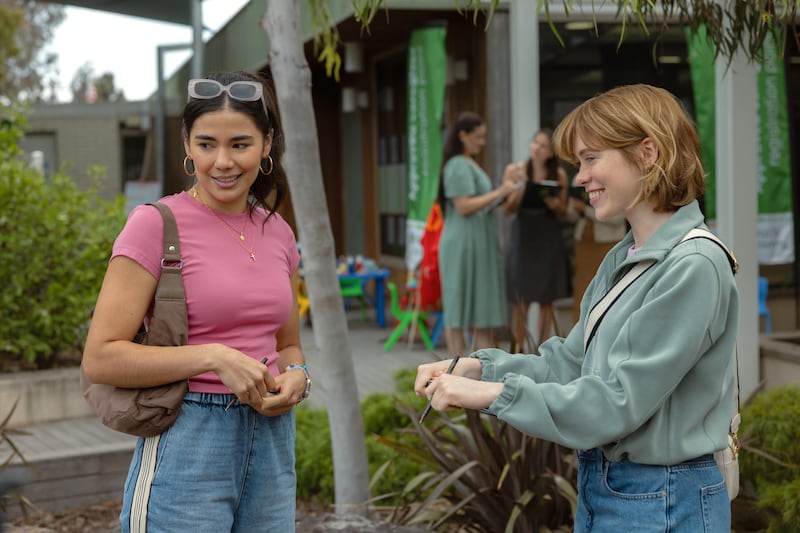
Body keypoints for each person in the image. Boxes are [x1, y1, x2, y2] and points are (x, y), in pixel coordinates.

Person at [415, 84, 738, 531]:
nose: (581, 177)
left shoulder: (694, 265)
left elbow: (617, 402)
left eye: (591, 158)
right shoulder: (625, 257)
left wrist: (491, 394)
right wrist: (477, 368)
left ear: (648, 153)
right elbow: (571, 364)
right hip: (615, 490)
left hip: (664, 498)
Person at [82, 70, 309, 532]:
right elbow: (100, 358)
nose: (222, 162)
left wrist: (299, 377)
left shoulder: (279, 232)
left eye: (240, 144)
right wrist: (213, 357)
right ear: (188, 145)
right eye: (207, 144)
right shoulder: (154, 225)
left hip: (272, 441)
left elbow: (288, 345)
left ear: (267, 144)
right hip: (188, 437)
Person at [437, 111, 521, 357]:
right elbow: (463, 206)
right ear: (463, 136)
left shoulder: (468, 163)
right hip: (463, 243)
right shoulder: (457, 165)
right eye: (478, 137)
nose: (482, 142)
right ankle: (456, 366)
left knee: (481, 311)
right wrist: (500, 191)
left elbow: (479, 203)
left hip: (477, 241)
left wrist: (505, 191)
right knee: (458, 307)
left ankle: (481, 369)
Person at [503, 128, 570, 350]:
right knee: (520, 297)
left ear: (551, 152)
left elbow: (563, 210)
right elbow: (506, 209)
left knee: (546, 298)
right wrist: (520, 190)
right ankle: (517, 350)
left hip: (547, 234)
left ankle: (540, 350)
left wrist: (553, 202)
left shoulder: (558, 174)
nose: (537, 148)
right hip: (523, 234)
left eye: (543, 145)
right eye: (535, 143)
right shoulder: (514, 170)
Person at [565, 174, 627, 323]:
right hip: (583, 242)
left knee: (607, 291)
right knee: (582, 290)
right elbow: (570, 216)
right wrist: (576, 208)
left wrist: (586, 210)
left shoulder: (613, 176)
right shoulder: (578, 179)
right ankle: (579, 330)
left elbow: (618, 218)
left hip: (608, 243)